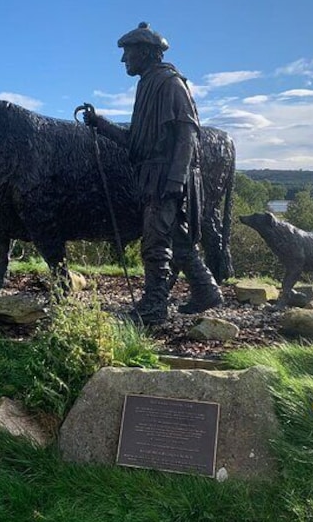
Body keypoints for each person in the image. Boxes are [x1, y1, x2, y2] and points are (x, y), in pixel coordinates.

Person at [84, 22, 223, 325]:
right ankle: (206, 290)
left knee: (155, 244)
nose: (124, 60)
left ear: (145, 52)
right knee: (179, 240)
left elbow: (188, 134)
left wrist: (175, 179)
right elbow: (137, 142)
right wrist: (101, 124)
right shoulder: (147, 84)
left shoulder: (171, 84)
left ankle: (154, 308)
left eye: (128, 53)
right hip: (154, 175)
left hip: (166, 177)